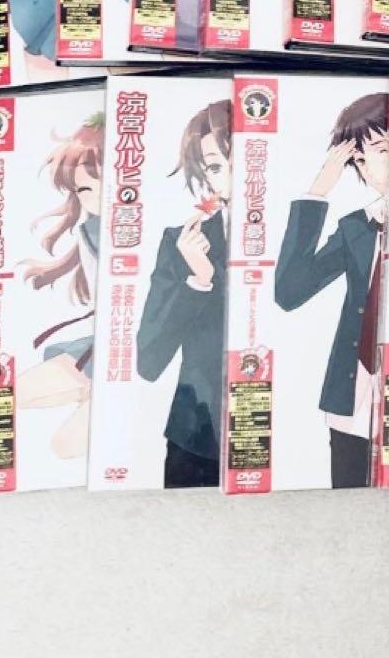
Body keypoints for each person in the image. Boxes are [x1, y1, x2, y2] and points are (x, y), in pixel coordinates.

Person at [273, 92, 389, 489]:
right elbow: (290, 292)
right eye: (377, 151)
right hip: (354, 395)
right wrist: (318, 191)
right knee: (347, 496)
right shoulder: (357, 227)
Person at [137, 100, 232, 489]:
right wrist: (198, 281)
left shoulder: (292, 230)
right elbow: (147, 359)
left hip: (284, 429)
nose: (234, 174)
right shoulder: (182, 242)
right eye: (217, 166)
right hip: (197, 437)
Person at [17, 113, 104, 460]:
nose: (97, 196)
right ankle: (93, 389)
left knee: (64, 445)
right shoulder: (89, 232)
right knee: (13, 394)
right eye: (85, 189)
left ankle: (99, 394)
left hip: (145, 351)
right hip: (102, 344)